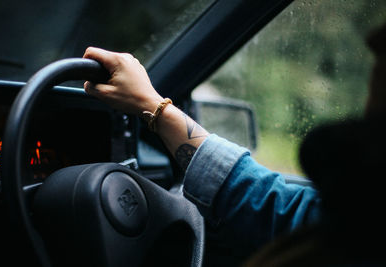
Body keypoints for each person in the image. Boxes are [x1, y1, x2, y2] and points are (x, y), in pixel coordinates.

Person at [82, 21, 386, 266]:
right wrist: (152, 105)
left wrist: (153, 106)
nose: (373, 39)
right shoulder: (361, 213)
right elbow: (275, 207)